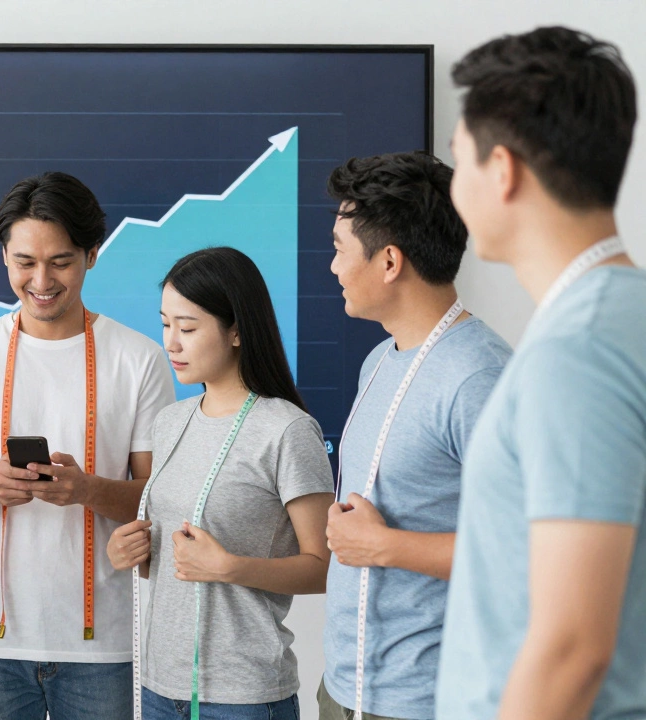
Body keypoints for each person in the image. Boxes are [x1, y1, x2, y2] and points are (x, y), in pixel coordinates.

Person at [436, 27, 646, 720]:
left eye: (458, 159)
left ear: (503, 170)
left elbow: (571, 647)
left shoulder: (578, 352)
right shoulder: (622, 317)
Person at [0, 172, 176, 719]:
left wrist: (87, 490)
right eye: (24, 262)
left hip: (105, 643)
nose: (41, 280)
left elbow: (160, 501)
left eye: (60, 261)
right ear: (4, 257)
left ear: (92, 256)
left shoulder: (139, 359)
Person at [317, 153, 512, 720]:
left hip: (429, 701)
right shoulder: (379, 359)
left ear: (390, 261)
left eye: (339, 249)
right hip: (346, 689)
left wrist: (386, 547)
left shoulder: (480, 376)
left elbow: (530, 551)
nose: (331, 267)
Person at [107, 247, 334, 720]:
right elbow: (181, 565)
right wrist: (135, 556)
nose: (171, 343)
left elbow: (324, 568)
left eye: (187, 328)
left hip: (244, 698)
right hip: (158, 686)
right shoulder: (171, 422)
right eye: (166, 324)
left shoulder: (287, 430)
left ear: (235, 331)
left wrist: (230, 567)